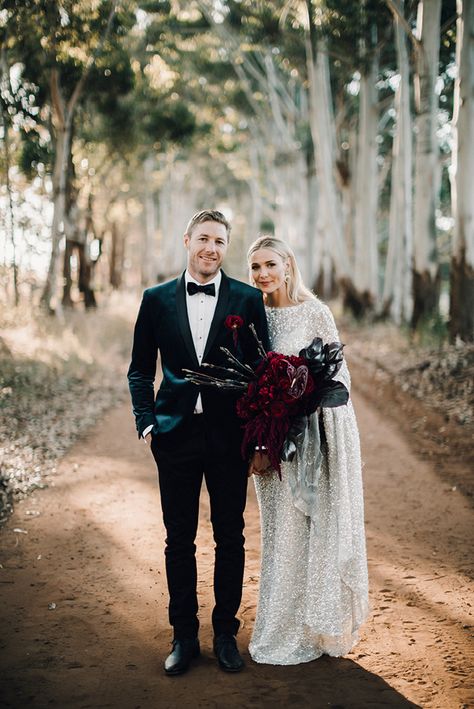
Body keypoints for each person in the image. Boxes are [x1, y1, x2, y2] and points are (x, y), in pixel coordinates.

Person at [127, 210, 269, 676]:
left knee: (231, 536)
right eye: (204, 239)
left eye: (220, 242)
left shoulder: (248, 300)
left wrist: (261, 436)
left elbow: (261, 374)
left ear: (227, 248)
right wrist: (147, 423)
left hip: (230, 439)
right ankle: (183, 637)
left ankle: (225, 634)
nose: (211, 248)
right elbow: (139, 368)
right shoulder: (156, 299)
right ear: (187, 240)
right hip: (175, 436)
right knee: (178, 540)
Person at [247, 235, 369, 665]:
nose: (263, 274)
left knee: (311, 530)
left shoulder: (316, 311)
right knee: (280, 535)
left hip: (312, 442)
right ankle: (277, 627)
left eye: (269, 265)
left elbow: (341, 376)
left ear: (287, 264)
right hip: (272, 445)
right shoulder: (251, 314)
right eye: (255, 267)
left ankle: (313, 627)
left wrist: (310, 407)